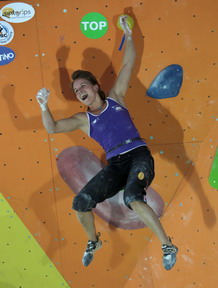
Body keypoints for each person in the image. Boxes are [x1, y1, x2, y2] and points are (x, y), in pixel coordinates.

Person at [36, 15, 178, 270]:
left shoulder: (116, 97)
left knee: (133, 197)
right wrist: (43, 106)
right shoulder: (83, 119)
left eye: (82, 86)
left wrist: (129, 35)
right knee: (80, 203)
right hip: (115, 165)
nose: (79, 91)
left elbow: (128, 63)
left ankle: (167, 244)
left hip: (138, 155)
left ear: (95, 86)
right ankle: (94, 242)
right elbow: (52, 128)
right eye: (76, 90)